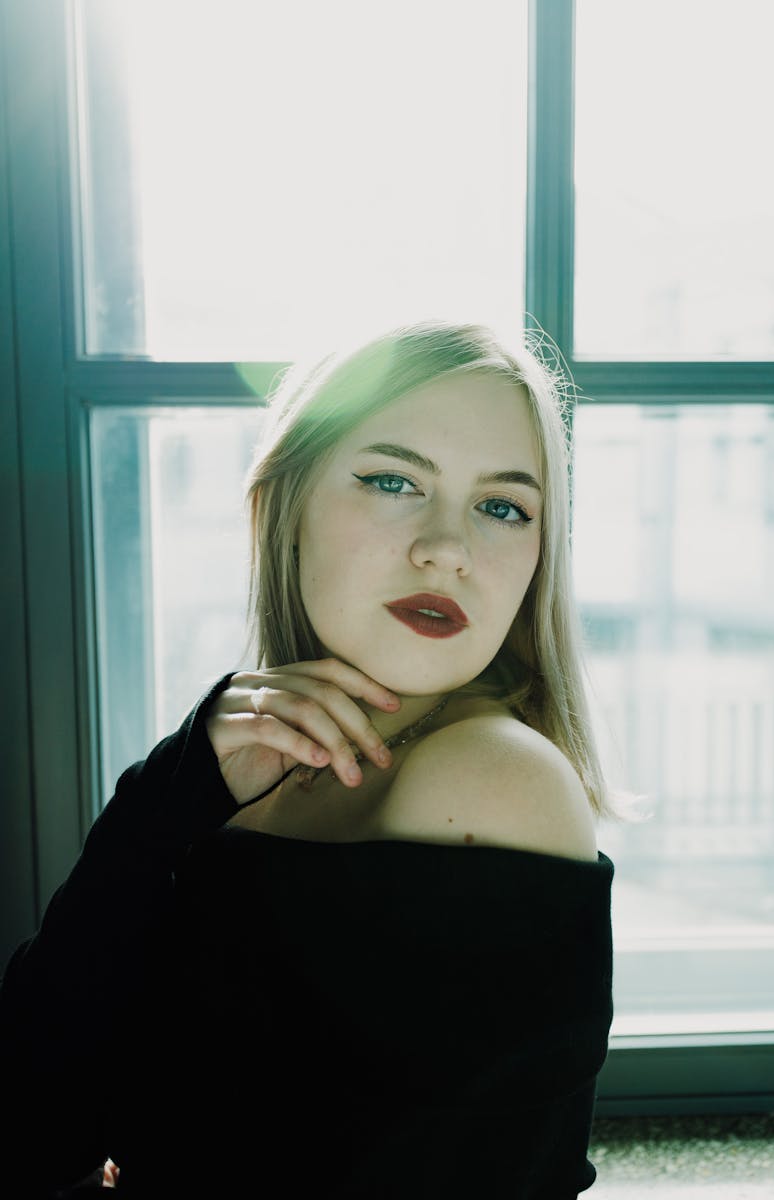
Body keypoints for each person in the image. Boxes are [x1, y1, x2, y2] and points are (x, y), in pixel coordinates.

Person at [1, 320, 614, 1198]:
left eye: (503, 506)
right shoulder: (253, 765)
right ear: (280, 512)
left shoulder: (491, 778)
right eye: (395, 481)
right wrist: (166, 797)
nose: (448, 547)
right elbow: (32, 1108)